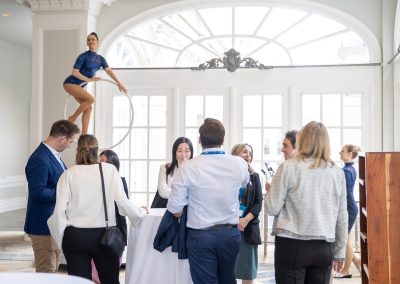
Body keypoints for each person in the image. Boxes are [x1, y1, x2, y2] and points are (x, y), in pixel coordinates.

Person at [47, 134, 147, 284]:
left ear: (77, 150)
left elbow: (59, 212)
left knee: (79, 282)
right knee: (110, 281)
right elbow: (123, 202)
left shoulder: (68, 174)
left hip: (75, 236)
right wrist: (141, 212)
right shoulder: (109, 170)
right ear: (96, 150)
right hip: (103, 236)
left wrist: (61, 239)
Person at [167, 118, 249, 284]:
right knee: (228, 280)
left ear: (199, 140)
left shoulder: (187, 167)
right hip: (230, 234)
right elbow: (244, 185)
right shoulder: (239, 164)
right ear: (223, 140)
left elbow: (175, 209)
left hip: (200, 237)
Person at [265, 121, 348, 283]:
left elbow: (271, 208)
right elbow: (342, 216)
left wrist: (270, 191)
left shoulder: (288, 167)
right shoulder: (337, 173)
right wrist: (339, 252)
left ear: (302, 140)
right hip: (324, 246)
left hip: (291, 244)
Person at [24, 120, 80, 273]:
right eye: (71, 141)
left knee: (53, 271)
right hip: (42, 225)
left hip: (53, 224)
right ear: (62, 138)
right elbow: (38, 193)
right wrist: (65, 193)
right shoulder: (39, 159)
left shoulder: (54, 156)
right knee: (46, 273)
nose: (70, 145)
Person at [63, 32, 127, 134]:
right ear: (87, 43)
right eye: (88, 40)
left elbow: (109, 70)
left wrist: (119, 82)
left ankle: (84, 136)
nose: (91, 41)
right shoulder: (83, 56)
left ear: (97, 42)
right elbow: (74, 72)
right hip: (71, 83)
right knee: (91, 99)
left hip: (80, 85)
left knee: (88, 107)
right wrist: (89, 80)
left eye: (93, 39)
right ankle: (72, 117)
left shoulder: (101, 59)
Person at [90, 150, 129, 283]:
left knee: (111, 271)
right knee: (95, 272)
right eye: (100, 161)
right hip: (95, 228)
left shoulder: (120, 181)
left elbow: (123, 208)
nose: (102, 164)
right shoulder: (94, 181)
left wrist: (124, 236)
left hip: (113, 230)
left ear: (113, 164)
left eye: (105, 161)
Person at [231, 143, 263, 284]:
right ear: (235, 154)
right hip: (229, 227)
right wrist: (235, 219)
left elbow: (258, 202)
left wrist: (245, 220)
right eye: (244, 151)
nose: (248, 155)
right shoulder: (226, 175)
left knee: (247, 271)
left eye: (250, 153)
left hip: (248, 228)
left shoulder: (254, 177)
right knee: (227, 269)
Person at [333, 144, 362, 278]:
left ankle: (346, 270)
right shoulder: (350, 169)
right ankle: (357, 262)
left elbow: (340, 192)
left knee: (344, 239)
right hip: (349, 207)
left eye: (342, 151)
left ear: (350, 154)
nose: (340, 153)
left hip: (348, 208)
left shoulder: (346, 171)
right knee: (347, 239)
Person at [151, 137, 193, 208]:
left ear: (191, 153)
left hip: (188, 209)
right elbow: (162, 191)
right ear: (174, 152)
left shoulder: (195, 170)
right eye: (179, 151)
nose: (183, 154)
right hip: (165, 208)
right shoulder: (165, 168)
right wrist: (185, 194)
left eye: (186, 151)